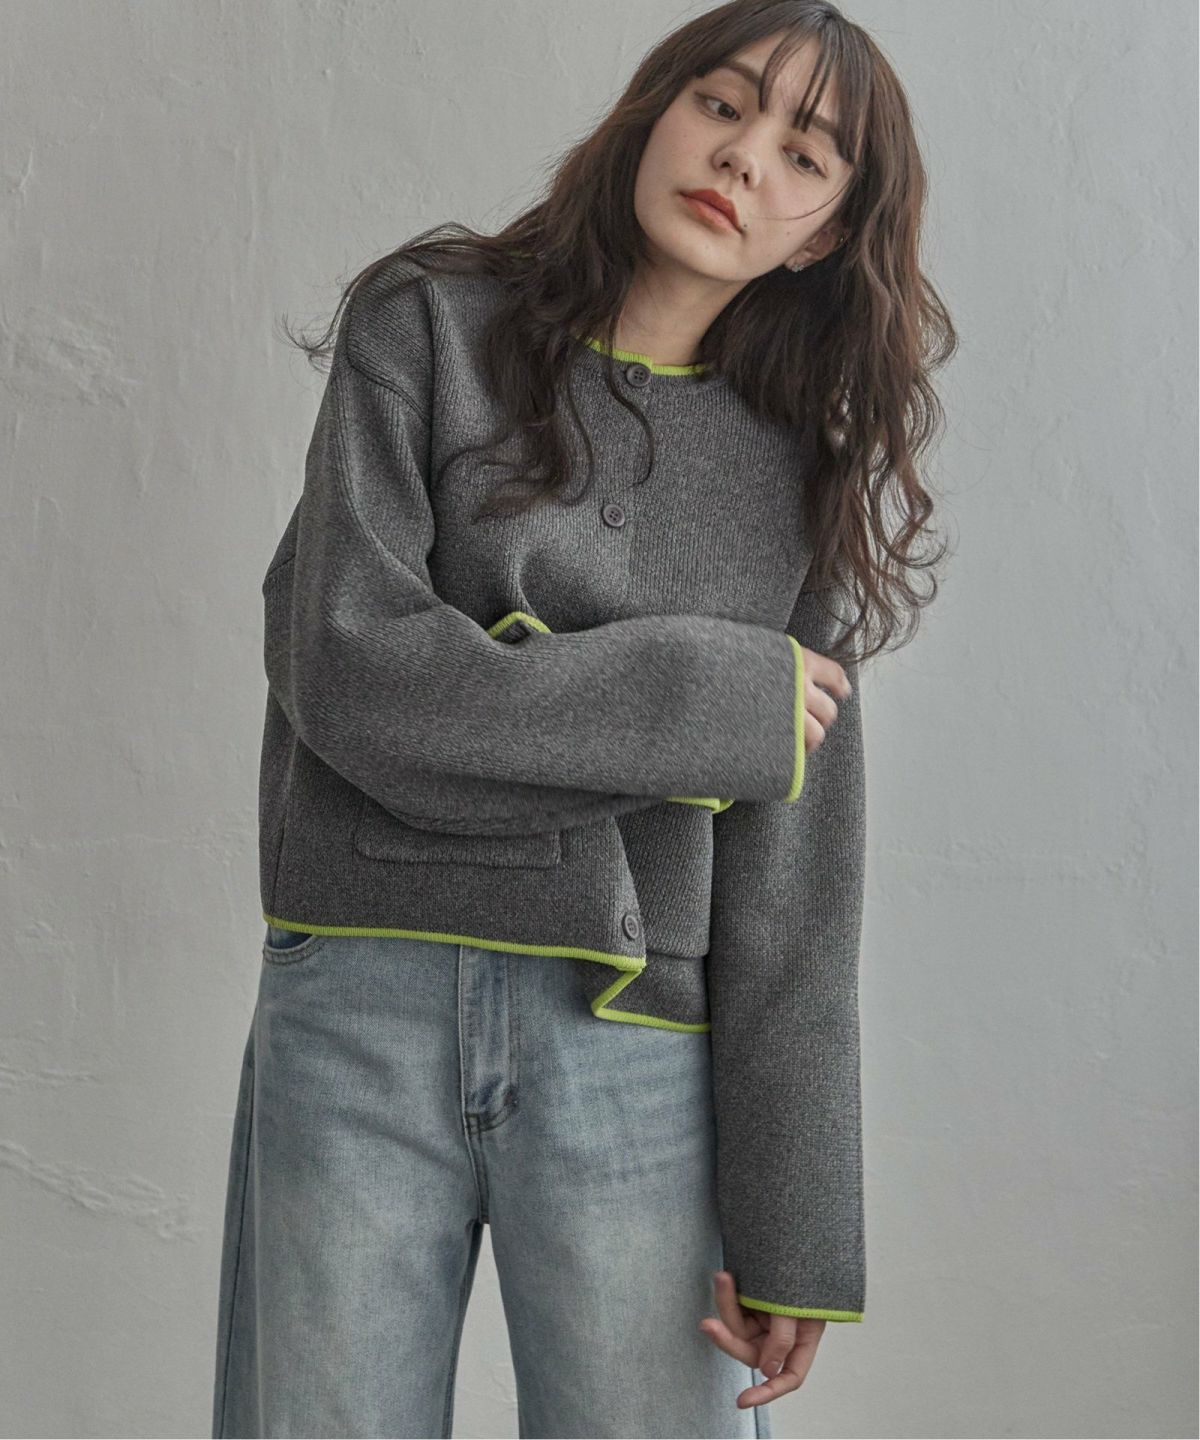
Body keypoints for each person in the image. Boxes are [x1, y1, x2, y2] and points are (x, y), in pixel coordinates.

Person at [211, 1, 955, 1434]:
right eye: (722, 104)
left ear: (823, 234)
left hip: (639, 1053)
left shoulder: (800, 471)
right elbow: (348, 670)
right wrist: (703, 703)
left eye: (804, 154)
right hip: (360, 1000)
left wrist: (798, 1228)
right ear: (654, 110)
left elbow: (794, 896)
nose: (743, 159)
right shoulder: (426, 324)